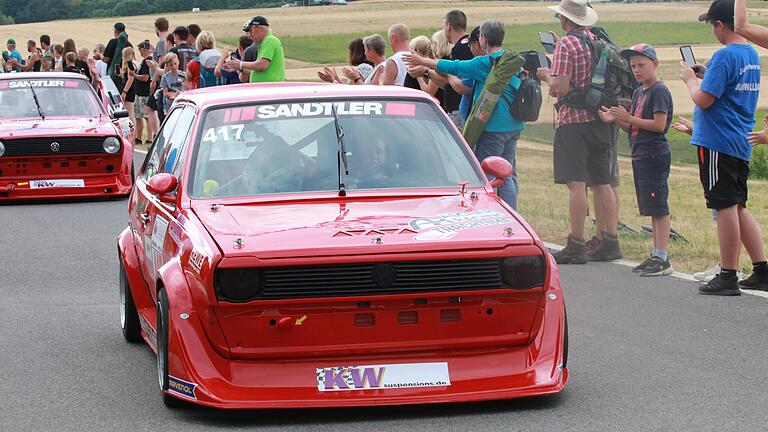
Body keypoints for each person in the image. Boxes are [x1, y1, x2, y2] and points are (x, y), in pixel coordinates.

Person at [678, 0, 767, 295]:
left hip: (717, 140)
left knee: (723, 205)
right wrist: (707, 74)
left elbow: (704, 99)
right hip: (738, 138)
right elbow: (726, 89)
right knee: (738, 205)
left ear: (719, 25)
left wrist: (691, 80)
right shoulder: (751, 54)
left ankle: (728, 273)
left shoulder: (724, 55)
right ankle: (762, 268)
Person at [405, 19, 524, 210]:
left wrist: (422, 61)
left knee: (487, 175)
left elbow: (455, 67)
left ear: (483, 38)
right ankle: (511, 212)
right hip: (514, 125)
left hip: (493, 127)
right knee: (506, 174)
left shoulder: (486, 63)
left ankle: (491, 213)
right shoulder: (510, 60)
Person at [535, 0, 621, 264]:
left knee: (576, 184)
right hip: (600, 118)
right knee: (602, 181)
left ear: (565, 19)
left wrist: (546, 75)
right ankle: (610, 240)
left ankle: (576, 243)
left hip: (573, 120)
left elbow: (560, 87)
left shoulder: (566, 44)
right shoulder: (598, 41)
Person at [599, 44, 674, 277]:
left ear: (655, 64)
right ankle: (656, 253)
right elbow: (632, 127)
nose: (637, 70)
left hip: (654, 153)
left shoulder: (659, 90)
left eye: (641, 65)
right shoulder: (639, 92)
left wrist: (629, 117)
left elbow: (659, 126)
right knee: (651, 207)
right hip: (640, 152)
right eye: (633, 67)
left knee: (659, 206)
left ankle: (662, 256)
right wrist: (616, 119)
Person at [227, 16, 285, 83]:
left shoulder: (269, 41)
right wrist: (239, 67)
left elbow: (262, 65)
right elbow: (259, 69)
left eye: (251, 31)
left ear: (260, 28)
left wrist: (241, 64)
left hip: (268, 87)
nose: (250, 35)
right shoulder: (267, 41)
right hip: (268, 86)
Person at [442, 10, 475, 128]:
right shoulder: (467, 44)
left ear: (448, 26)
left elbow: (459, 82)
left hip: (459, 109)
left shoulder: (460, 49)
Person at [134, 41, 154, 145]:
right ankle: (138, 137)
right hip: (139, 92)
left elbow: (145, 77)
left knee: (146, 116)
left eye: (141, 50)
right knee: (138, 116)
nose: (140, 52)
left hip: (145, 93)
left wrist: (134, 75)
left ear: (144, 49)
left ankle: (149, 138)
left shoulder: (148, 61)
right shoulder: (144, 61)